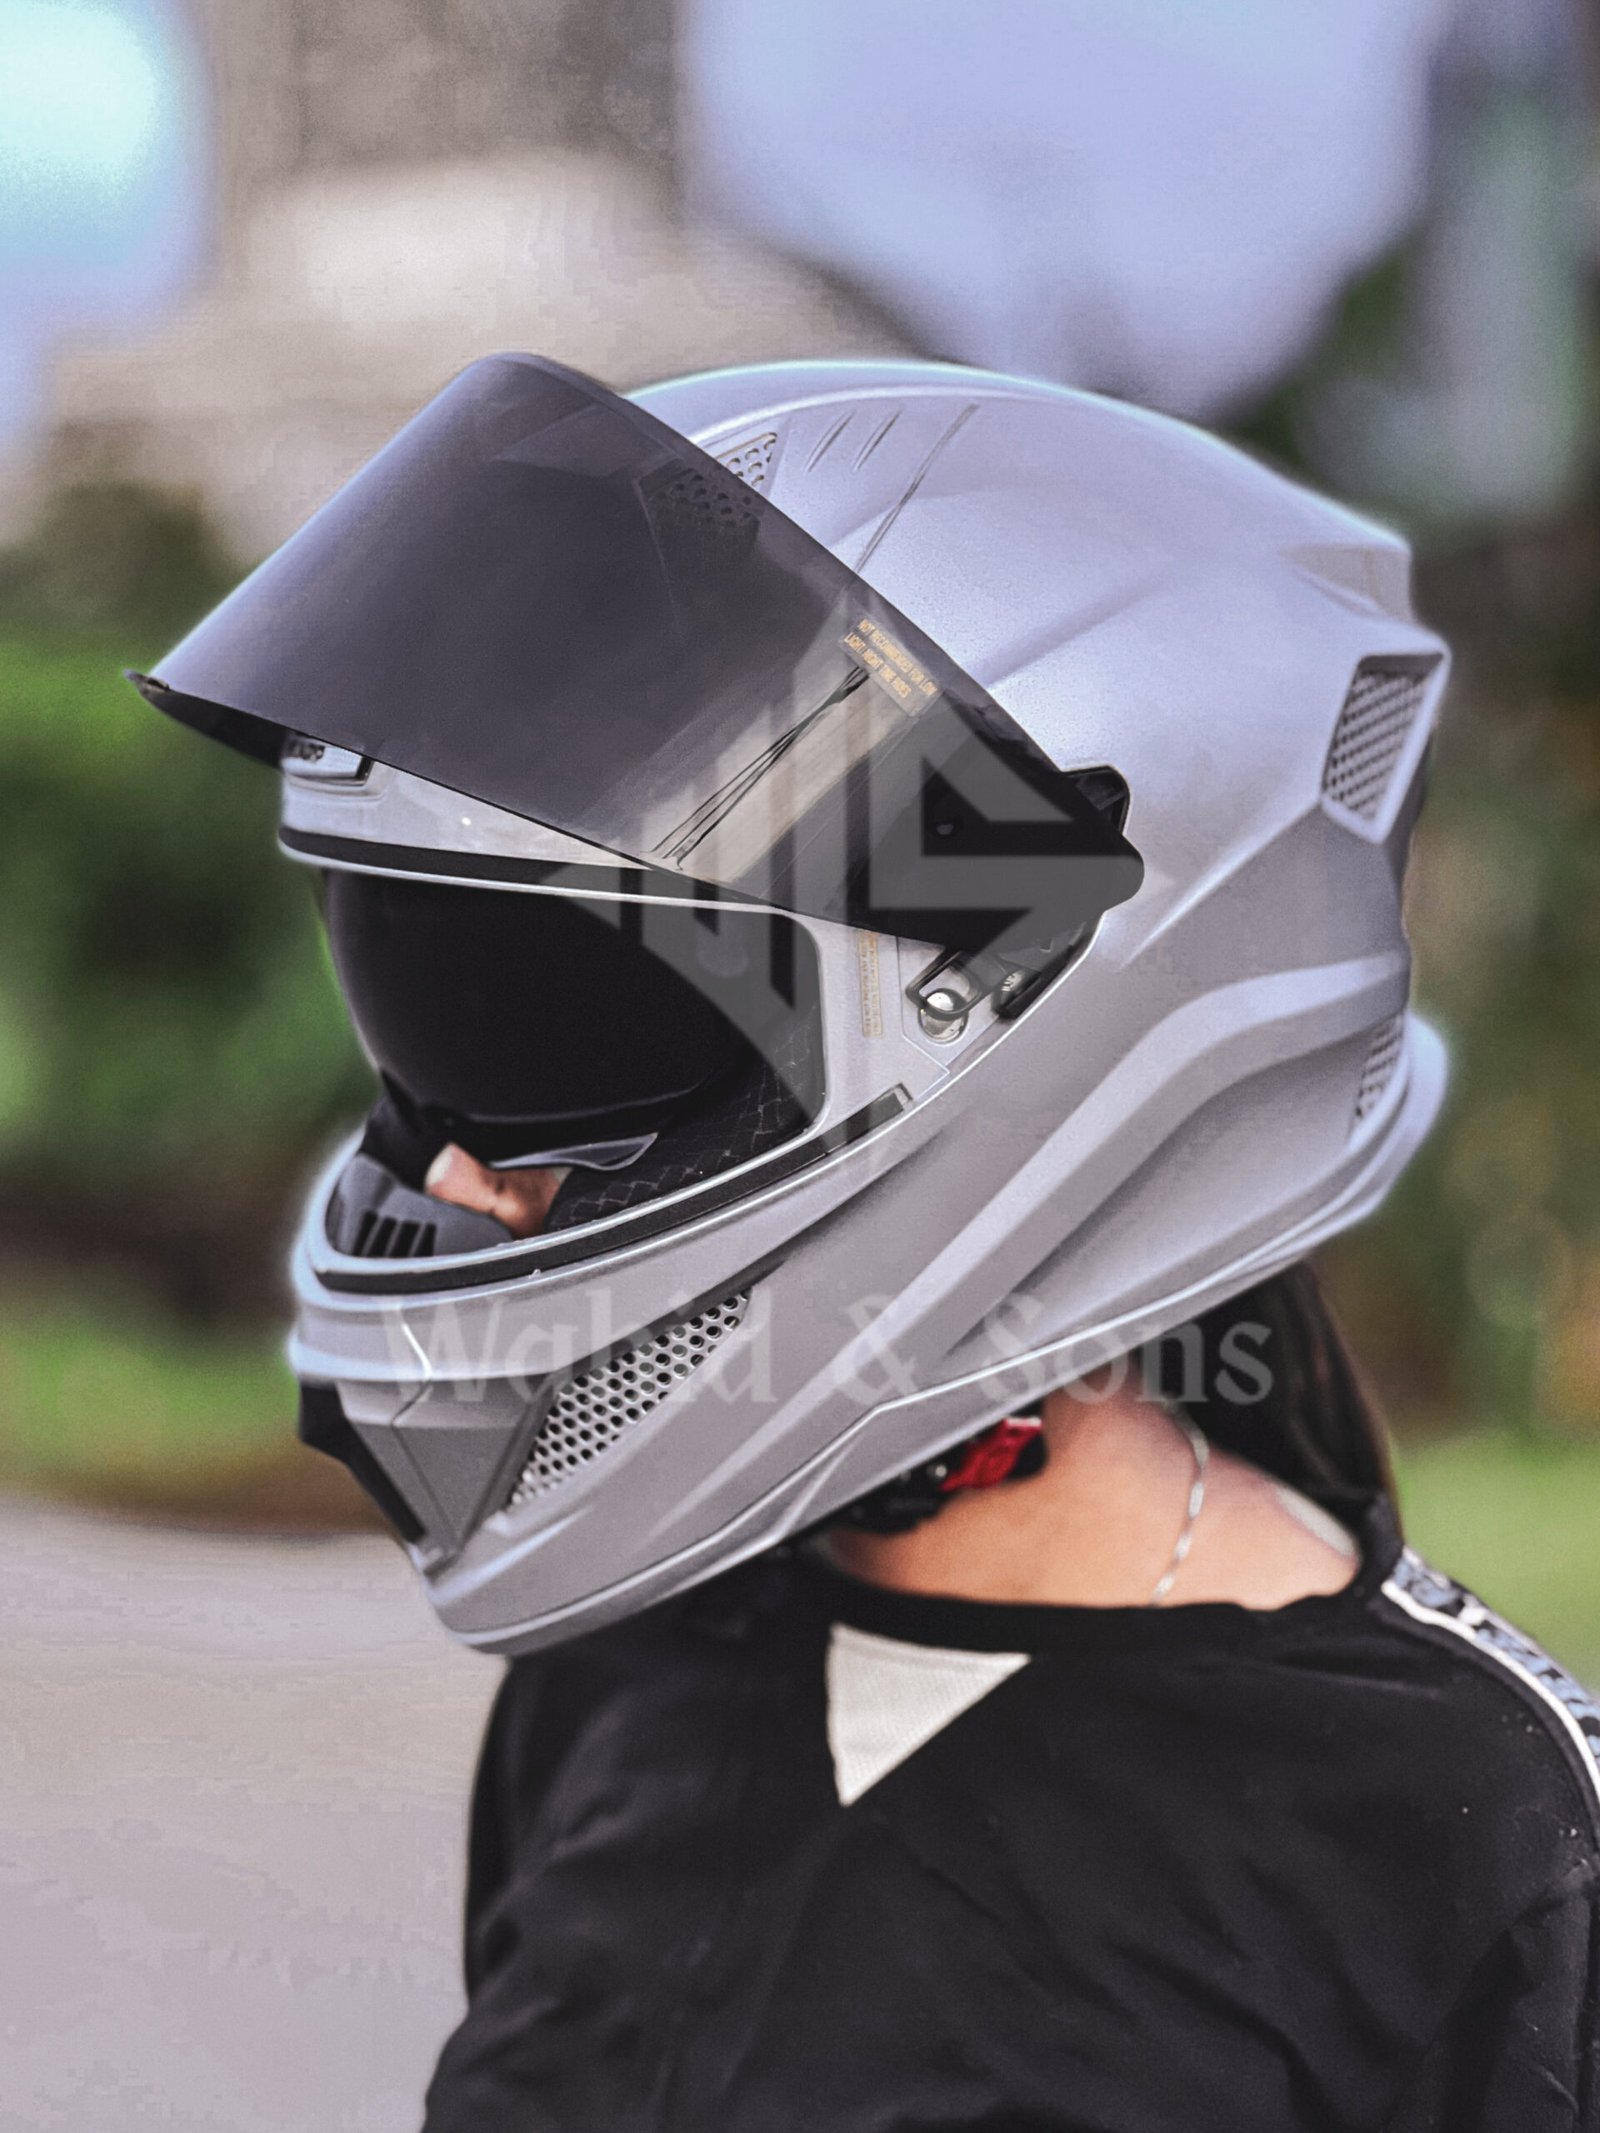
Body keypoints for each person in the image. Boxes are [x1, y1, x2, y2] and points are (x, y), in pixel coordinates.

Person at [132, 352, 1599, 2128]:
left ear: (1029, 1020)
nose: (456, 1177)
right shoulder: (623, 1660)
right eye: (424, 1017)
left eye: (552, 1036)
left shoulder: (1460, 1830)